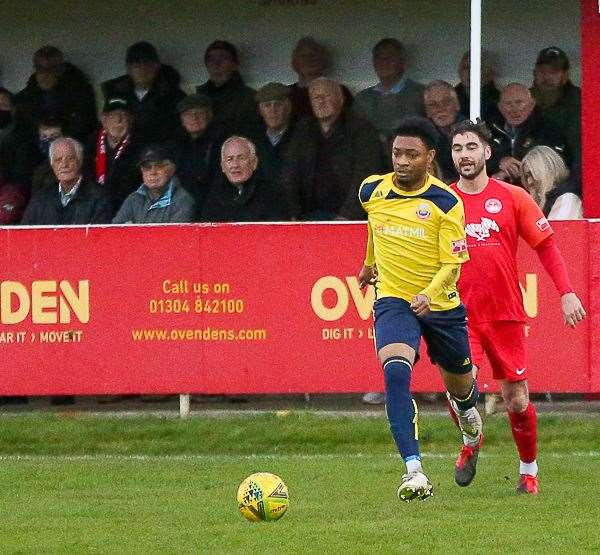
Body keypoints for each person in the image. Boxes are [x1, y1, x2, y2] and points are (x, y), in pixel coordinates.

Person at [449, 119, 586, 494]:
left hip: (505, 314)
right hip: (458, 315)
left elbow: (546, 245)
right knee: (459, 392)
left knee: (517, 398)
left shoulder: (512, 197)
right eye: (458, 148)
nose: (465, 155)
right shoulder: (443, 200)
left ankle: (528, 470)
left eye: (471, 147)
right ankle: (471, 442)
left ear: (487, 152)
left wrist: (567, 291)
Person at [357, 116, 482, 501]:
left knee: (461, 388)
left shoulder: (446, 201)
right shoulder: (370, 191)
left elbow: (454, 263)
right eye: (397, 153)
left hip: (440, 306)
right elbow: (374, 229)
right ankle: (413, 470)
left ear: (429, 157)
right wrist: (367, 263)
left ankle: (469, 426)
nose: (403, 161)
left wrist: (429, 293)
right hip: (394, 299)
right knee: (395, 371)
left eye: (412, 154)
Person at [282, 77, 382, 220]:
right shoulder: (303, 130)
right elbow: (290, 173)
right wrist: (293, 214)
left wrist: (347, 216)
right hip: (308, 215)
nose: (321, 101)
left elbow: (367, 174)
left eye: (326, 96)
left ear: (340, 98)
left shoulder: (361, 129)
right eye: (316, 97)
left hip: (348, 216)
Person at [102, 41, 185, 144]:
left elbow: (180, 132)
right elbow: (106, 127)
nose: (142, 69)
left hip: (161, 152)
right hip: (125, 151)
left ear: (157, 66)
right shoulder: (117, 93)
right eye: (136, 64)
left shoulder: (174, 95)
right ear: (128, 68)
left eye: (148, 63)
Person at [21, 137, 112, 225]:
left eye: (70, 158)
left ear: (79, 161)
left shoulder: (98, 197)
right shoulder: (40, 199)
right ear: (52, 166)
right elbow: (24, 235)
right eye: (58, 160)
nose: (64, 164)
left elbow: (99, 237)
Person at [489, 83, 567, 184]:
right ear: (500, 107)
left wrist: (520, 168)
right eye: (508, 104)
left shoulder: (548, 130)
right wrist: (500, 161)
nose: (514, 109)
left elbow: (558, 164)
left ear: (532, 105)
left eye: (519, 103)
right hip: (499, 192)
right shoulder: (490, 128)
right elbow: (477, 157)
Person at [15, 45, 97, 141]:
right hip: (36, 145)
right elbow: (22, 125)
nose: (45, 74)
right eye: (40, 68)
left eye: (50, 69)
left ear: (60, 70)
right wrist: (39, 129)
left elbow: (87, 124)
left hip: (71, 143)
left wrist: (59, 130)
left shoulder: (80, 90)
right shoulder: (27, 95)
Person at [354, 38, 425, 147]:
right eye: (379, 57)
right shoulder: (361, 99)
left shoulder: (422, 94)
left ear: (403, 62)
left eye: (390, 56)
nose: (384, 61)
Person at [199, 136, 288, 222]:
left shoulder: (272, 195)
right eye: (230, 159)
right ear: (223, 166)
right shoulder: (212, 198)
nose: (235, 165)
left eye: (241, 158)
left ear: (254, 163)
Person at [85, 97, 143, 213]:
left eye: (123, 115)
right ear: (103, 119)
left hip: (128, 211)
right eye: (113, 116)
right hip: (94, 210)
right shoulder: (89, 146)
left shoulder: (140, 147)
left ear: (131, 120)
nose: (119, 121)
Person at [170, 93, 228, 210]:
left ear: (210, 115)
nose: (194, 117)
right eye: (188, 114)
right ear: (182, 120)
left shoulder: (223, 141)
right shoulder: (176, 144)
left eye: (199, 113)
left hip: (214, 206)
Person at [112, 145, 195, 224]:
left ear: (171, 169)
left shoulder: (183, 200)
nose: (153, 172)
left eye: (158, 166)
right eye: (147, 167)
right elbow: (115, 232)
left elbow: (174, 236)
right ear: (142, 171)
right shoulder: (133, 199)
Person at [196, 40, 261, 137]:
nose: (216, 64)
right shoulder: (198, 98)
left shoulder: (250, 98)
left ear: (234, 65)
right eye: (211, 60)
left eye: (223, 58)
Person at [531, 46, 580, 166]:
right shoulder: (523, 99)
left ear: (565, 75)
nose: (547, 77)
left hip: (568, 169)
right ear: (534, 73)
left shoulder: (578, 101)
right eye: (542, 71)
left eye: (553, 72)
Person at [288, 36, 353, 121]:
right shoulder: (286, 93)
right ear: (295, 62)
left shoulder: (340, 91)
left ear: (323, 60)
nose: (309, 59)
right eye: (303, 56)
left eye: (313, 55)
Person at [521, 146, 582, 219]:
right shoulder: (544, 202)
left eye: (532, 174)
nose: (529, 181)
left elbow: (558, 229)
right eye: (526, 176)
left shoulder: (567, 199)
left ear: (547, 171)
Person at [253, 82, 296, 184]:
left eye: (278, 104)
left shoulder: (301, 138)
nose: (273, 110)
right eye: (267, 105)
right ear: (260, 111)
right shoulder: (253, 140)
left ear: (288, 108)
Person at [423, 81, 464, 183]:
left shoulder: (473, 130)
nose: (440, 109)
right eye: (433, 104)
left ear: (457, 105)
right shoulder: (422, 136)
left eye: (446, 102)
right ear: (427, 111)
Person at [455, 50, 501, 124]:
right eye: (465, 67)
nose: (469, 72)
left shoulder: (499, 100)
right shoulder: (449, 99)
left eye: (476, 67)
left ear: (488, 73)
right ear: (460, 71)